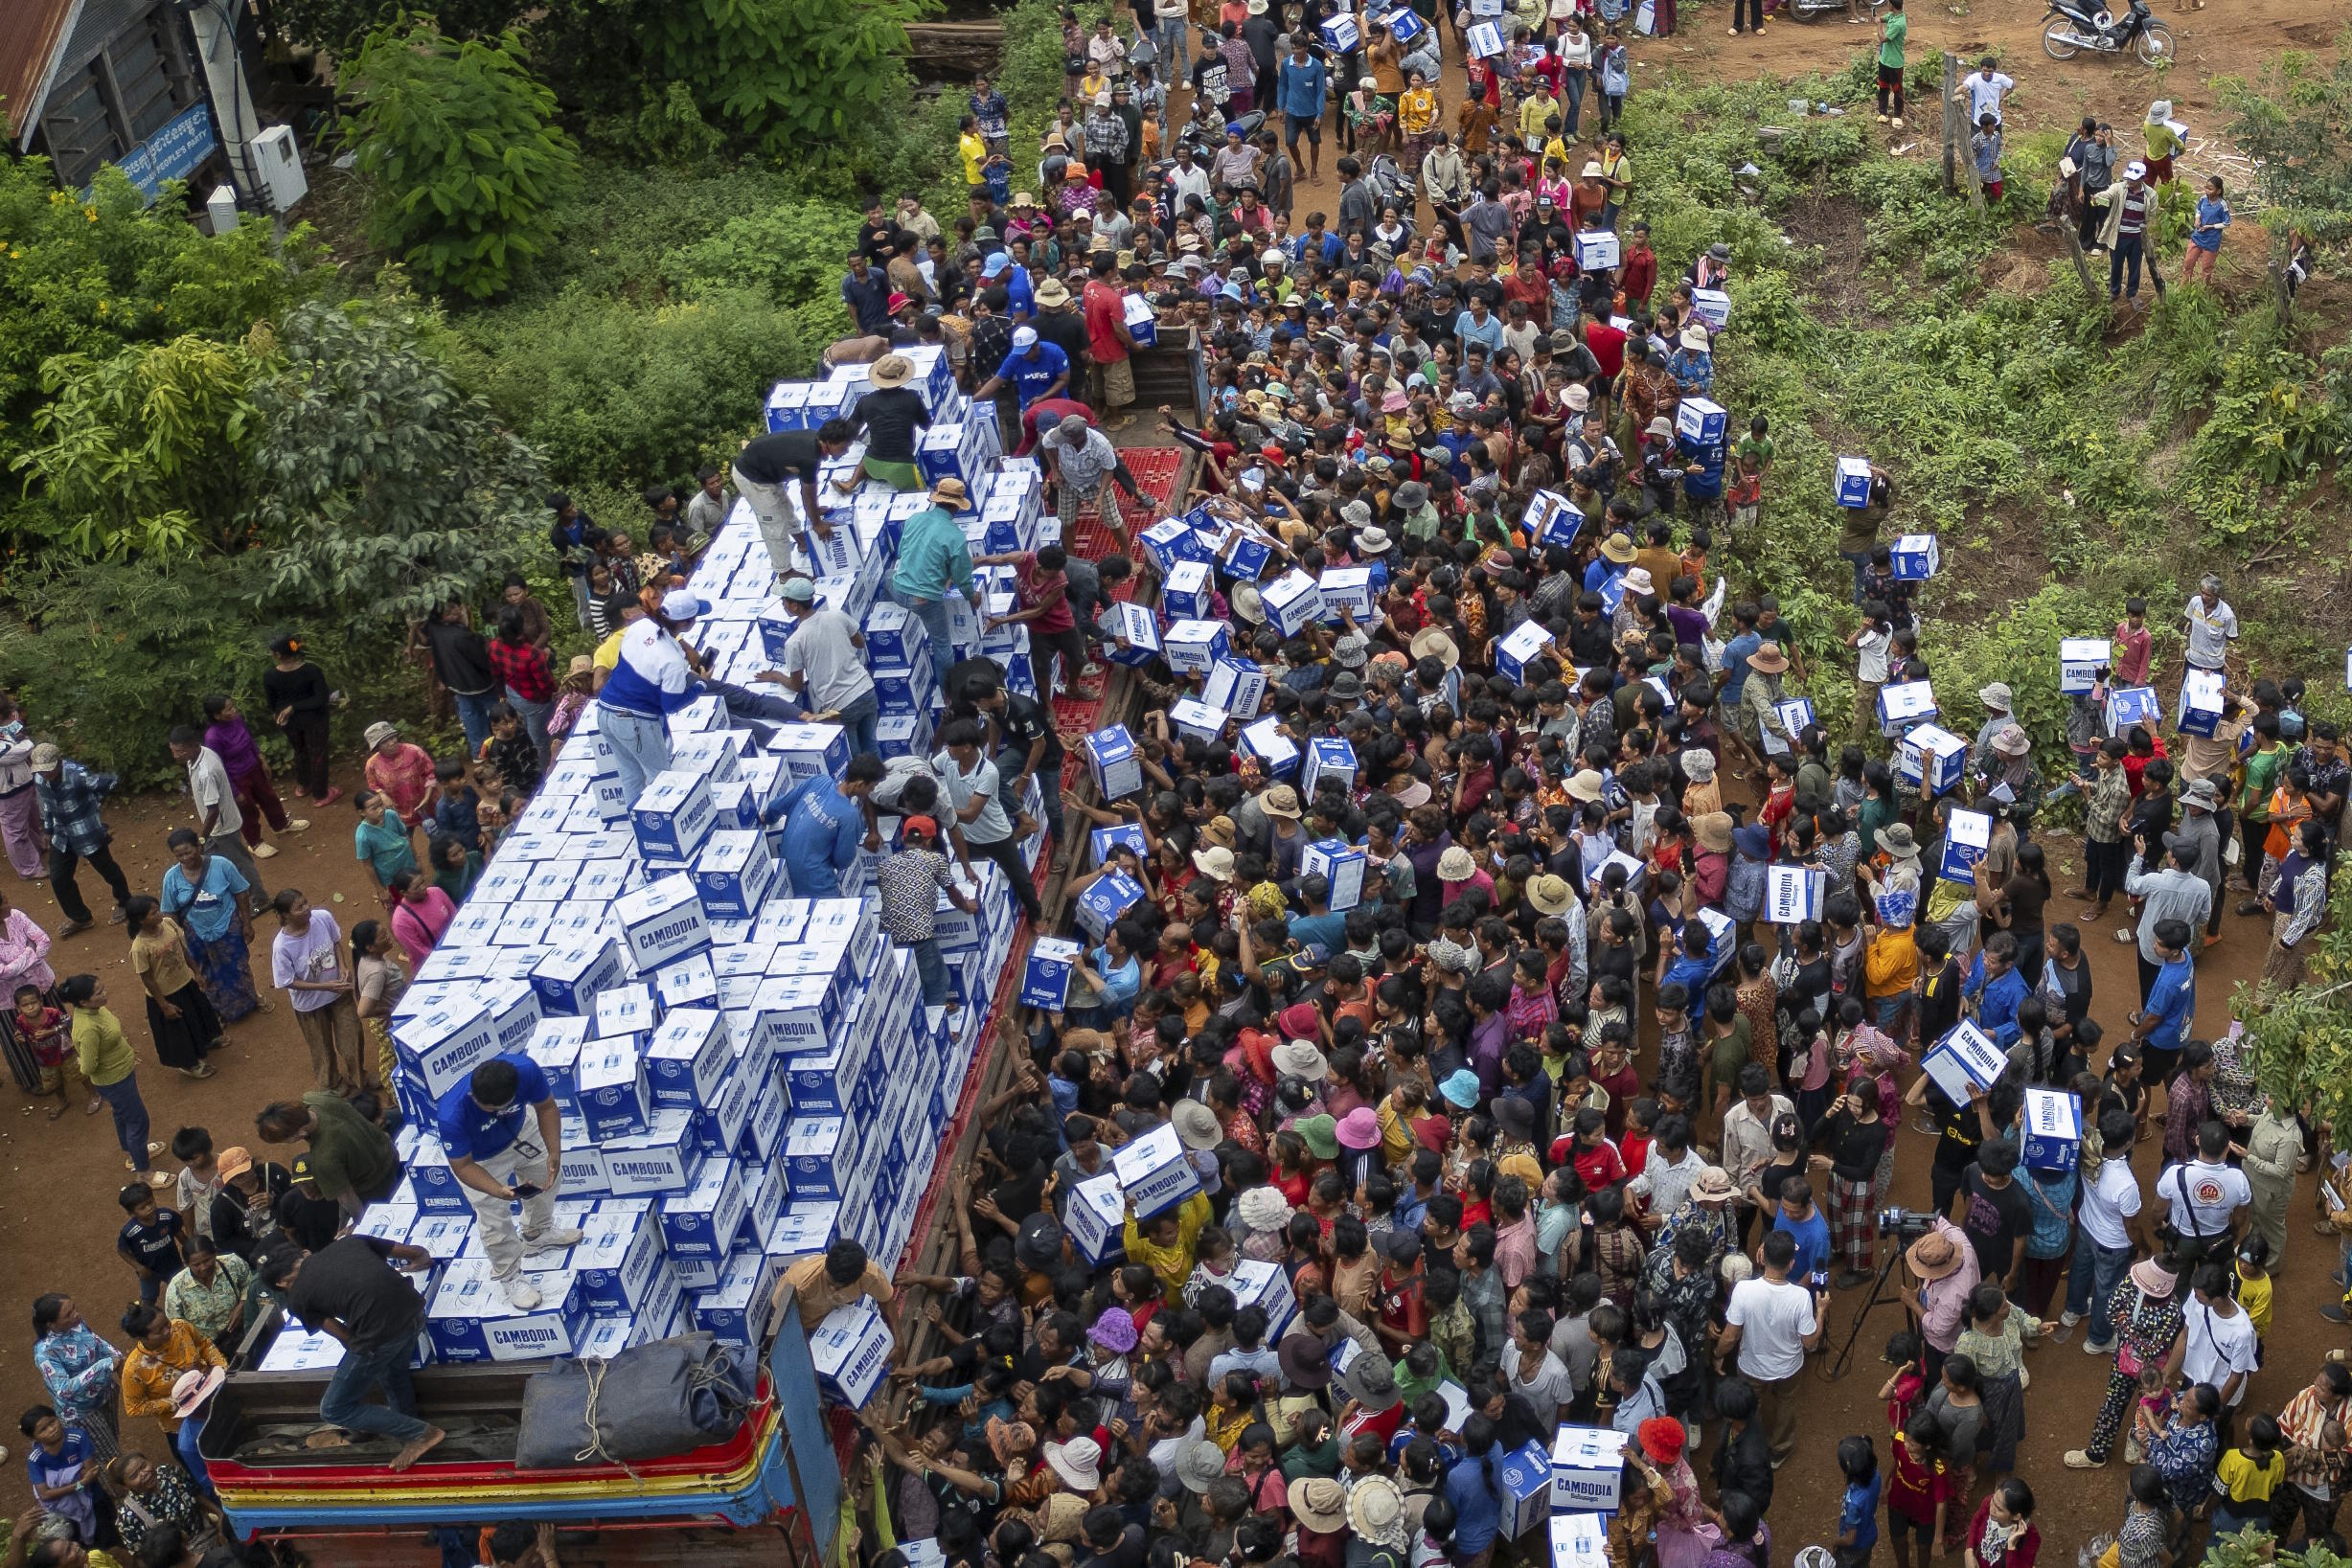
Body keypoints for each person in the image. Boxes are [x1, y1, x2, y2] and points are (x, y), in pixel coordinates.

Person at [257, 1237, 445, 1471]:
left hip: (382, 1334)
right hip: (415, 1312)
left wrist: (365, 1346)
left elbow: (345, 1336)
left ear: (284, 1282)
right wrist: (420, 1261)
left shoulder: (297, 1298)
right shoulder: (350, 1241)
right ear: (304, 1253)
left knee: (334, 1408)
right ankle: (409, 1433)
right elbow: (415, 1253)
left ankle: (421, 1434)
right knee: (392, 1375)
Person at [438, 1057, 584, 1310]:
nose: (497, 1113)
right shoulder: (452, 1114)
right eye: (492, 1110)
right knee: (493, 1218)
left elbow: (547, 1107)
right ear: (475, 1097)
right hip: (480, 1159)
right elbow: (462, 1166)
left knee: (547, 1177)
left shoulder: (525, 1070)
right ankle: (509, 1275)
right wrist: (498, 1190)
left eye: (505, 1106)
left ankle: (538, 1232)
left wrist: (554, 1151)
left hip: (522, 1131)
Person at [1714, 1229, 1821, 1466]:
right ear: (1791, 1264)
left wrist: (1718, 1355)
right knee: (1786, 1403)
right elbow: (1809, 1341)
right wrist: (1821, 1312)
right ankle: (1780, 1449)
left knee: (1751, 1406)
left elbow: (1730, 1336)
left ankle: (1750, 1447)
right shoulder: (1801, 1297)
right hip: (1789, 1367)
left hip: (1751, 1366)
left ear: (1761, 1257)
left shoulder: (1743, 1290)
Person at [595, 588, 706, 805]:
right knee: (661, 778)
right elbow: (671, 704)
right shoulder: (672, 661)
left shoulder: (639, 626)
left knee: (631, 776)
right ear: (686, 624)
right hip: (634, 720)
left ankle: (640, 828)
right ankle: (662, 830)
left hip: (605, 710)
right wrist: (701, 684)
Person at [58, 976, 165, 1187]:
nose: (104, 994)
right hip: (114, 1081)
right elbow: (87, 1067)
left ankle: (134, 1154)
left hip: (121, 1073)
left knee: (122, 1114)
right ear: (84, 1002)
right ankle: (143, 1173)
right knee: (138, 1120)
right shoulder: (88, 1028)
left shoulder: (97, 1010)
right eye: (98, 993)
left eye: (102, 988)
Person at [267, 890, 369, 1097]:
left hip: (339, 994)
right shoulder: (282, 947)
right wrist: (325, 987)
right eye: (300, 907)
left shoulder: (322, 918)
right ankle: (331, 1084)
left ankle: (359, 1077)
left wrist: (342, 966)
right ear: (285, 916)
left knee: (352, 1035)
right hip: (310, 1005)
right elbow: (288, 981)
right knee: (321, 1046)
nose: (307, 908)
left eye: (305, 903)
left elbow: (335, 942)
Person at [768, 577, 881, 756]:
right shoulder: (836, 615)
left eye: (784, 600)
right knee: (871, 746)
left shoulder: (795, 642)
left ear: (795, 606)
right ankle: (880, 781)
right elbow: (860, 642)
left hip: (841, 704)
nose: (782, 604)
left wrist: (776, 676)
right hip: (865, 690)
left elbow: (796, 686)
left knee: (856, 758)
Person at [157, 831, 262, 1026]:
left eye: (189, 852)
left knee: (238, 965)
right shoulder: (171, 878)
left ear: (200, 847)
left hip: (228, 925)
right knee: (206, 970)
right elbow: (170, 912)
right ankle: (219, 1010)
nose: (186, 858)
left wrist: (247, 923)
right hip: (195, 932)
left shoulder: (222, 865)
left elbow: (241, 893)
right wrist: (177, 940)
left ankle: (250, 1000)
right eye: (180, 856)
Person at [29, 745, 132, 938]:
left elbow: (109, 782)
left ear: (59, 763)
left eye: (49, 768)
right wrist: (48, 830)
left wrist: (94, 802)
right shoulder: (40, 780)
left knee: (107, 870)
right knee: (59, 877)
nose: (46, 773)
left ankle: (125, 902)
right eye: (42, 769)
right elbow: (49, 806)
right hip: (62, 834)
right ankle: (81, 918)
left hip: (86, 831)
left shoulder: (79, 776)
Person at [115, 1304, 223, 1487]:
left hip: (215, 1399)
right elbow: (134, 1408)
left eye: (166, 1322)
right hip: (179, 1425)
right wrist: (179, 1401)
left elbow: (204, 1344)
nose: (168, 1330)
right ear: (142, 1337)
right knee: (205, 1473)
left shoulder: (181, 1327)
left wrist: (221, 1368)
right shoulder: (134, 1369)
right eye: (159, 1330)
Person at [252, 1094, 400, 1216]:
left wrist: (361, 1224)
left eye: (285, 1140)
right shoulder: (317, 1098)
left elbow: (349, 1200)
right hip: (388, 1149)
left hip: (378, 1186)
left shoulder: (324, 1159)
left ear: (301, 1133)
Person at [124, 899, 220, 1079]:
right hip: (167, 994)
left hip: (185, 982)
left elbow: (184, 950)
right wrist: (164, 1005)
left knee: (199, 1015)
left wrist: (197, 972)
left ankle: (208, 1040)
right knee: (180, 1032)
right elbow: (147, 978)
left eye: (157, 909)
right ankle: (190, 1065)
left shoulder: (168, 924)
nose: (159, 914)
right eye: (153, 913)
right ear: (141, 920)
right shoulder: (139, 948)